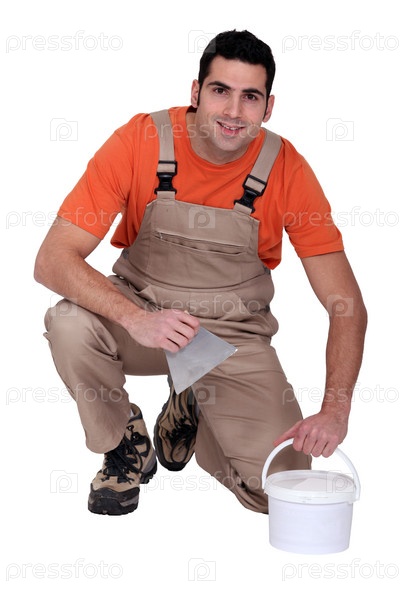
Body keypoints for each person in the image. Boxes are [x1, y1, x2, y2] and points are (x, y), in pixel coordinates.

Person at [34, 30, 367, 516]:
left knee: (282, 492)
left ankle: (194, 402)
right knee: (68, 322)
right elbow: (52, 259)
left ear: (268, 107)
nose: (233, 111)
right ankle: (125, 443)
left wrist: (336, 409)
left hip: (232, 335)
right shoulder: (141, 140)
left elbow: (346, 305)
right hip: (144, 318)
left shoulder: (288, 169)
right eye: (220, 90)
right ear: (195, 92)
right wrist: (137, 319)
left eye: (250, 97)